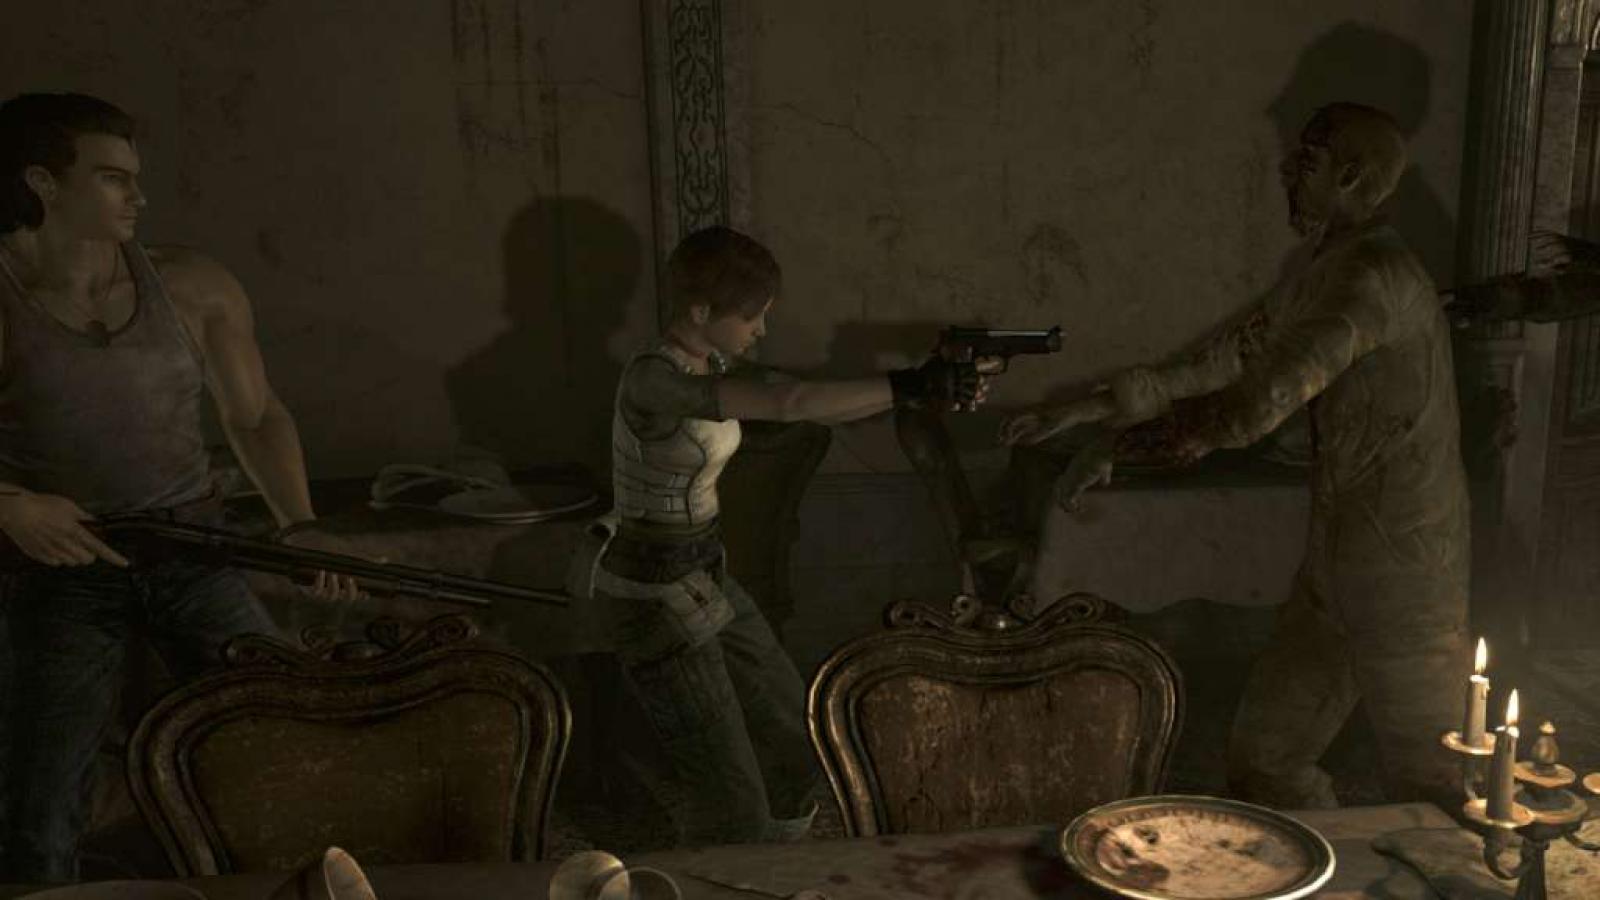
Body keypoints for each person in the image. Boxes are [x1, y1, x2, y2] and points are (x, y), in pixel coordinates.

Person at [1003, 103, 1471, 809]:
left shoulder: (1374, 276)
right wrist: (1088, 409)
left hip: (1408, 576)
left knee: (1436, 787)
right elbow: (1230, 356)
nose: (1286, 172)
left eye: (1306, 161)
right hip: (1338, 569)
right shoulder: (1335, 265)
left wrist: (1119, 449)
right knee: (1265, 766)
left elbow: (1256, 404)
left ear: (1349, 176)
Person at [0, 92, 352, 882]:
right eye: (113, 179)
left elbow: (255, 416)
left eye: (135, 177)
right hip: (63, 568)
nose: (139, 197)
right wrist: (10, 505)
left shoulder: (191, 284)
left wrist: (298, 526)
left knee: (287, 736)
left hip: (194, 547)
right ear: (43, 182)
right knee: (39, 805)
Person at [577, 225, 995, 846]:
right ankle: (737, 872)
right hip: (651, 591)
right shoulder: (652, 380)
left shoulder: (715, 363)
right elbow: (791, 403)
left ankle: (773, 868)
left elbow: (799, 396)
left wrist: (922, 389)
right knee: (733, 799)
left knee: (799, 742)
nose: (761, 330)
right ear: (701, 312)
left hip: (705, 572)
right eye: (752, 317)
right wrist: (909, 386)